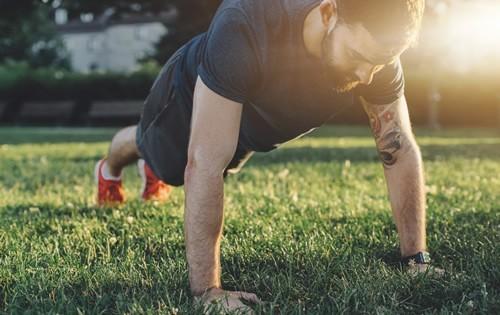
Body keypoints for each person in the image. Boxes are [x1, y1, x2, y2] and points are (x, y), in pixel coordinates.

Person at [95, 0, 440, 313]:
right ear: (327, 13)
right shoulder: (244, 25)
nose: (367, 76)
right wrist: (208, 291)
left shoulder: (377, 61)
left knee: (218, 158)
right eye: (358, 57)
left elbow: (398, 148)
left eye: (378, 63)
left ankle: (155, 165)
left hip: (256, 122)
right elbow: (204, 164)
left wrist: (416, 257)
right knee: (160, 157)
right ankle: (110, 169)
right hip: (188, 92)